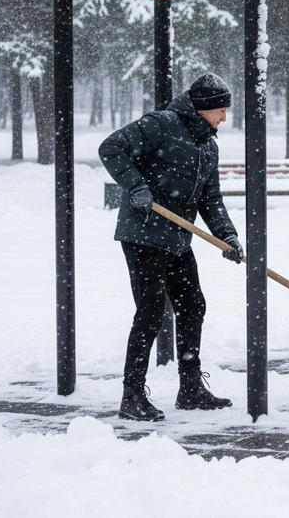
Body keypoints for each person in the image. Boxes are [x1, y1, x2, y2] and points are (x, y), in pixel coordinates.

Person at [99, 73, 244, 421]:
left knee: (193, 306)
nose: (224, 117)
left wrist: (228, 235)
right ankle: (131, 395)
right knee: (150, 314)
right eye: (221, 110)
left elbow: (211, 199)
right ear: (204, 108)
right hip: (144, 234)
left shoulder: (208, 145)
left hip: (178, 240)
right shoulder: (162, 124)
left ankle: (190, 388)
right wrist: (135, 187)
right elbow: (111, 147)